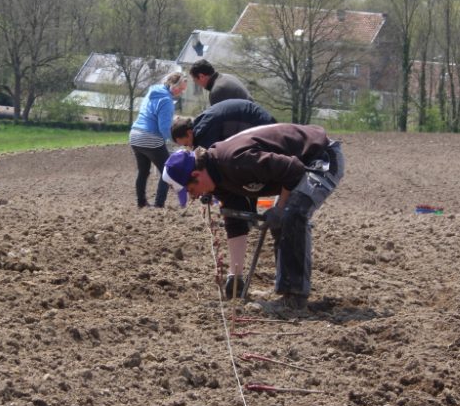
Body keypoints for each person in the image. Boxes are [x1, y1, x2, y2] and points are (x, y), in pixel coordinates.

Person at [162, 123, 344, 313]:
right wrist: (235, 275)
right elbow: (235, 222)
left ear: (196, 174)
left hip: (320, 158)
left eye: (191, 190)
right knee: (281, 219)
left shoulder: (235, 160)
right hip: (298, 168)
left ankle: (295, 299)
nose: (195, 196)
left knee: (292, 214)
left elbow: (294, 169)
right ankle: (287, 290)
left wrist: (280, 208)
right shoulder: (218, 179)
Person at [170, 99, 276, 298]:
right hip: (256, 123)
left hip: (264, 129)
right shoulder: (201, 126)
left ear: (189, 134)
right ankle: (247, 216)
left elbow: (210, 167)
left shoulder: (204, 135)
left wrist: (210, 192)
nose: (188, 148)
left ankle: (248, 215)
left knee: (240, 178)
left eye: (186, 144)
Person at [129, 71, 188, 208]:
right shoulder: (167, 101)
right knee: (167, 171)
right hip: (151, 137)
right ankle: (159, 205)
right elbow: (163, 128)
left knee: (143, 171)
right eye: (181, 89)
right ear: (173, 85)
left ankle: (141, 202)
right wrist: (175, 141)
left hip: (135, 135)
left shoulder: (152, 93)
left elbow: (151, 115)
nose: (181, 92)